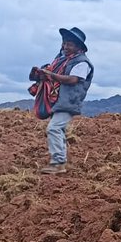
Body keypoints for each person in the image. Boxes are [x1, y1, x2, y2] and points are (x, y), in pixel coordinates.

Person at [29, 27, 93, 175]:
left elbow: (73, 79)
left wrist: (50, 75)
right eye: (65, 43)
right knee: (59, 129)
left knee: (54, 128)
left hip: (68, 101)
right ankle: (60, 160)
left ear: (78, 47)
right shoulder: (61, 59)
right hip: (57, 100)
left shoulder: (82, 62)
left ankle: (58, 163)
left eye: (70, 44)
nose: (65, 47)